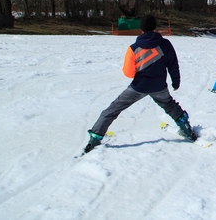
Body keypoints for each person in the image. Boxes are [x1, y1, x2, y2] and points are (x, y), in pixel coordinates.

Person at [83, 14, 196, 153]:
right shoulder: (165, 44)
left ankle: (95, 137)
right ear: (155, 27)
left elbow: (129, 73)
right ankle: (186, 129)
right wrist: (176, 82)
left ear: (140, 28)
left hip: (138, 87)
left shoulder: (133, 48)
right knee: (171, 106)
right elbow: (173, 64)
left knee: (113, 109)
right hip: (159, 86)